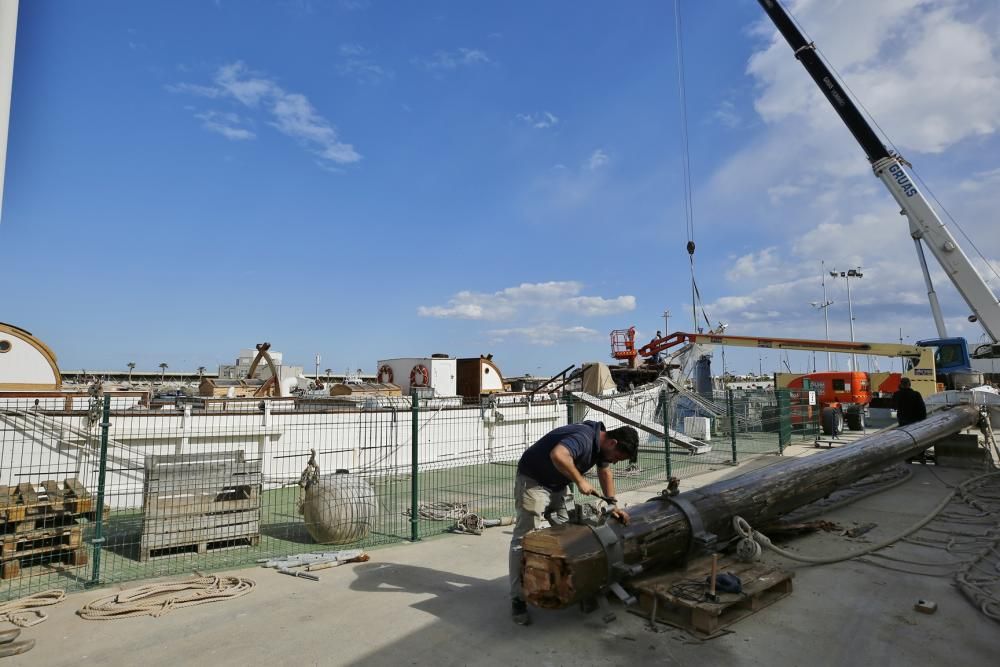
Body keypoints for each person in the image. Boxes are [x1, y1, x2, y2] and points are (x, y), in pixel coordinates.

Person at [508, 421, 639, 625]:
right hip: (534, 481)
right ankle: (518, 598)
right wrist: (580, 481)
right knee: (523, 539)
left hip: (558, 483)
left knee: (571, 535)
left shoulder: (601, 447)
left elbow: (605, 472)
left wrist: (613, 505)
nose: (614, 461)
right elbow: (558, 455)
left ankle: (567, 584)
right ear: (612, 443)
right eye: (617, 457)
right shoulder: (585, 438)